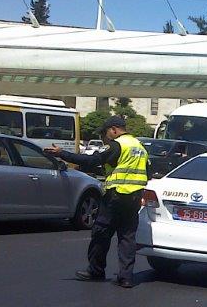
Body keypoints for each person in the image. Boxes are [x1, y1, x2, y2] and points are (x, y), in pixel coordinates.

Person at [45, 115, 148, 287]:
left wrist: (62, 154)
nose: (105, 137)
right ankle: (126, 277)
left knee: (101, 232)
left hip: (116, 196)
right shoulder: (139, 147)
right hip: (134, 198)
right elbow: (146, 172)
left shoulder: (117, 145)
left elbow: (92, 160)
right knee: (127, 237)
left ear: (114, 129)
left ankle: (96, 270)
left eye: (106, 133)